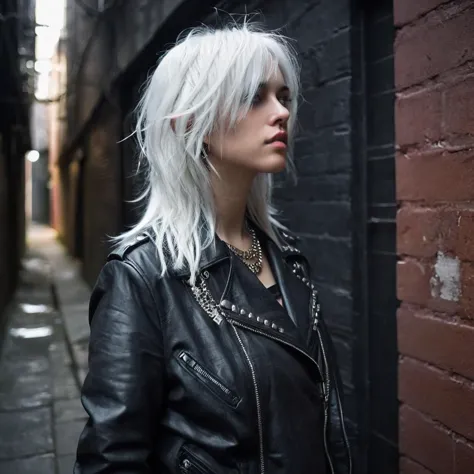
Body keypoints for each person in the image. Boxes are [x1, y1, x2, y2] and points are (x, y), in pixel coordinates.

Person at [74, 19, 352, 474]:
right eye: (254, 96)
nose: (281, 112)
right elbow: (112, 459)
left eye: (283, 96)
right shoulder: (142, 277)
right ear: (194, 121)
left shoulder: (287, 256)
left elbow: (325, 423)